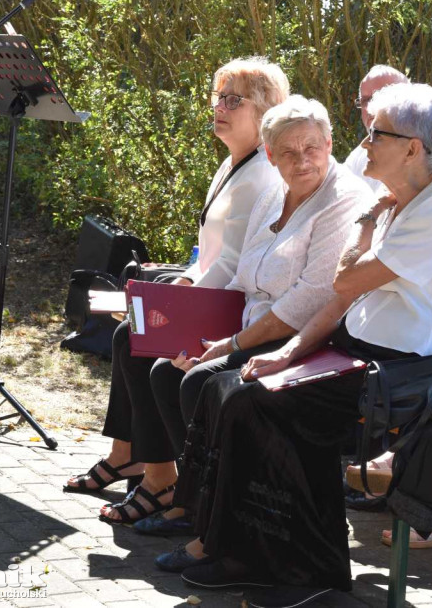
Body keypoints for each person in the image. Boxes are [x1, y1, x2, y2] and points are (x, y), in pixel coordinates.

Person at [156, 83, 432, 608]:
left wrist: (364, 222)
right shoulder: (401, 201)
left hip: (403, 373)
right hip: (359, 350)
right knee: (233, 389)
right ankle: (240, 549)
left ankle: (306, 572)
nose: (366, 141)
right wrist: (287, 354)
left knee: (258, 405)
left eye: (377, 132)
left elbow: (345, 281)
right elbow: (339, 306)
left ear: (413, 148)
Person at [128, 96, 370, 532]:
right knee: (165, 366)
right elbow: (243, 278)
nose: (303, 160)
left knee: (201, 380)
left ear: (330, 143)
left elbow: (310, 298)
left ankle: (218, 514)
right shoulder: (273, 193)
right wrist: (194, 329)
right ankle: (194, 498)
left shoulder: (344, 199)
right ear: (271, 155)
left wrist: (232, 344)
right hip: (253, 324)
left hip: (304, 337)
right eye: (289, 152)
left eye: (312, 147)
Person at [62, 56, 290, 519]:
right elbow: (210, 250)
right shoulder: (233, 163)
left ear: (265, 111)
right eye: (217, 97)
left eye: (233, 100)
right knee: (132, 325)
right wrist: (179, 282)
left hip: (233, 306)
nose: (219, 108)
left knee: (135, 336)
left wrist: (180, 298)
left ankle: (160, 476)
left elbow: (232, 263)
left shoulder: (261, 175)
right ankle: (129, 454)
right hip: (210, 290)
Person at [343, 64, 410, 193]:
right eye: (364, 101)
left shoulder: (429, 154)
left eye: (377, 98)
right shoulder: (358, 157)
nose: (369, 108)